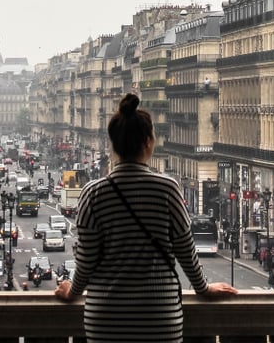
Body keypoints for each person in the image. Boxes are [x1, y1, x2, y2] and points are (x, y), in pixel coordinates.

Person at [54, 92, 237, 342]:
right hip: (159, 317)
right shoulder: (168, 189)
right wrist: (203, 289)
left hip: (106, 318)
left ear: (113, 144)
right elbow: (186, 251)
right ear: (149, 142)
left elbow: (86, 260)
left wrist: (71, 292)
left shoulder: (93, 193)